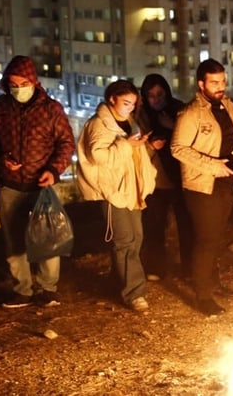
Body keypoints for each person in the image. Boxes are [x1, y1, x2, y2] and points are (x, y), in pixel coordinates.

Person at [0, 55, 75, 309]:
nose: (18, 89)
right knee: (13, 239)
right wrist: (0, 160)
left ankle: (48, 289)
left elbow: (66, 144)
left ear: (34, 82)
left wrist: (53, 170)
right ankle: (22, 289)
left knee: (48, 237)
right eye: (13, 84)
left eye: (23, 84)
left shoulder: (51, 110)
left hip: (42, 186)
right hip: (10, 185)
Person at [77, 80, 156, 313]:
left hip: (131, 188)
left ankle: (120, 282)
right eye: (125, 103)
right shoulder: (99, 124)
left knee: (136, 237)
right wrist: (127, 145)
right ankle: (134, 293)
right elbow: (98, 156)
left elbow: (133, 151)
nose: (129, 108)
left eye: (133, 104)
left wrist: (143, 149)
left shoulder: (128, 121)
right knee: (125, 241)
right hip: (113, 189)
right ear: (112, 99)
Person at [170, 59, 233, 317]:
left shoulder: (228, 105)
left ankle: (213, 282)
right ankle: (203, 297)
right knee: (206, 240)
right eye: (214, 82)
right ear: (201, 84)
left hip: (226, 182)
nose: (220, 86)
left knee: (216, 236)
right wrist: (212, 166)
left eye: (223, 81)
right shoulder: (190, 113)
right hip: (202, 185)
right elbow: (177, 148)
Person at [136, 74, 193, 282]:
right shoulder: (141, 116)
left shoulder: (179, 109)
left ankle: (189, 269)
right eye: (151, 96)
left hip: (180, 177)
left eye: (160, 94)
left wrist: (172, 127)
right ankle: (156, 267)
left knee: (186, 225)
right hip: (156, 180)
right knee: (155, 225)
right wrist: (151, 146)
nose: (156, 100)